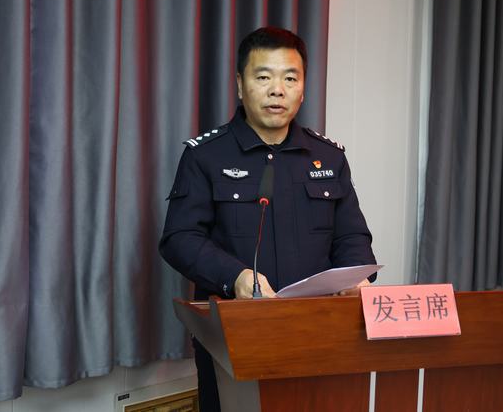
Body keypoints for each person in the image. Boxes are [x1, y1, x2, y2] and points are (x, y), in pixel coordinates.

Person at [159, 26, 377, 411]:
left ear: (303, 88)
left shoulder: (328, 157)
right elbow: (180, 237)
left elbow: (351, 236)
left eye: (290, 78)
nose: (277, 90)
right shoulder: (205, 156)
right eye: (263, 77)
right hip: (235, 334)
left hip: (320, 331)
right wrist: (236, 277)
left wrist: (355, 277)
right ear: (240, 85)